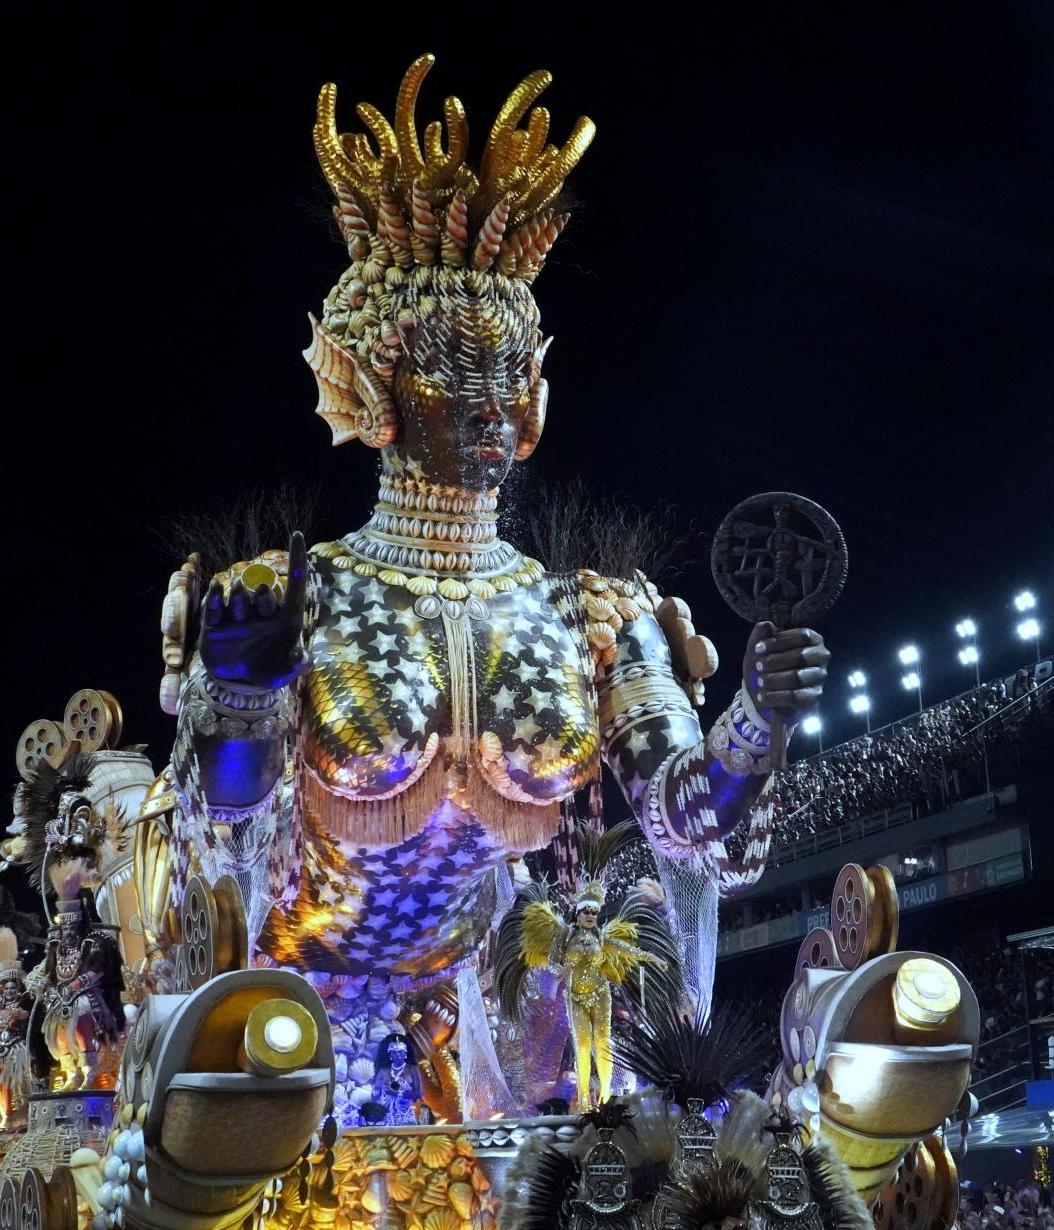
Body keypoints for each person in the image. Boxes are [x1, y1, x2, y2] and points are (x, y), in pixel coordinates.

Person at [158, 55, 830, 1120]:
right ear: (371, 385)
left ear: (536, 399)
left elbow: (703, 834)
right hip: (282, 1014)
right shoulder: (297, 597)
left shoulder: (589, 614)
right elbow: (214, 832)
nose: (485, 400)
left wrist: (761, 719)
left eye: (506, 370)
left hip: (474, 1022)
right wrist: (239, 700)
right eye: (451, 370)